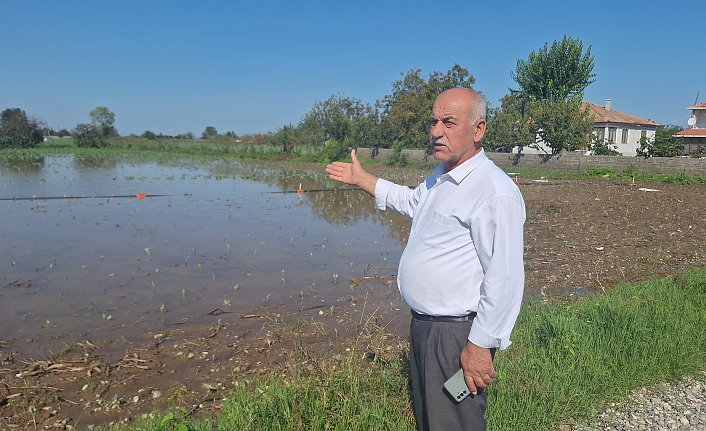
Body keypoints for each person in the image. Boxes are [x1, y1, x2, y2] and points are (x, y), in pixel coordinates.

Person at [325, 87, 526, 431]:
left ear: (479, 130)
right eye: (434, 121)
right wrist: (363, 179)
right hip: (426, 329)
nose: (436, 131)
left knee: (454, 421)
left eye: (449, 122)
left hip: (456, 335)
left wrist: (480, 346)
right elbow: (411, 202)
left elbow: (505, 278)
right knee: (431, 420)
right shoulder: (443, 177)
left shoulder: (493, 191)